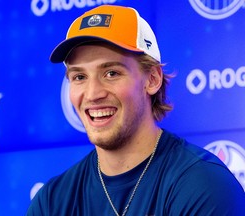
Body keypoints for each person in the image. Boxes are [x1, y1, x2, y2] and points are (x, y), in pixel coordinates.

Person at [26, 4, 245, 216]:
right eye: (79, 77)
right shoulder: (51, 202)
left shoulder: (202, 184)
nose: (92, 94)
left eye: (111, 73)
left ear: (152, 79)